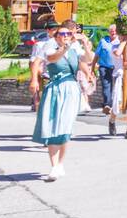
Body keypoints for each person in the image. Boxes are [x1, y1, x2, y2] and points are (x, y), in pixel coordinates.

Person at [32, 23, 91, 178]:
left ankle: (60, 164)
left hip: (70, 89)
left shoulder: (75, 47)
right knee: (52, 125)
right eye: (62, 34)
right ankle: (54, 166)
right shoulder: (49, 46)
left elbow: (87, 59)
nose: (66, 36)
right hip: (54, 89)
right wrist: (66, 47)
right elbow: (52, 58)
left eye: (68, 34)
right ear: (56, 36)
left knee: (66, 125)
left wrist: (85, 44)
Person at [29, 20, 58, 111]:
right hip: (44, 74)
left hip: (58, 75)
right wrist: (36, 75)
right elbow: (33, 61)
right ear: (47, 30)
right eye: (53, 29)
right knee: (45, 101)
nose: (55, 31)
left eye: (57, 29)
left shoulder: (61, 43)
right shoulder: (40, 44)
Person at [94, 23, 117, 115]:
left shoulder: (120, 41)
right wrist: (92, 66)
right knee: (106, 86)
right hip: (104, 67)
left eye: (115, 31)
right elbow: (97, 54)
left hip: (116, 67)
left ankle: (112, 104)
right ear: (108, 32)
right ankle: (107, 105)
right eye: (111, 31)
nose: (113, 33)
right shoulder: (103, 41)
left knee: (115, 86)